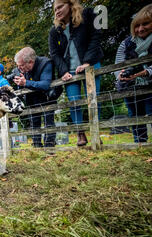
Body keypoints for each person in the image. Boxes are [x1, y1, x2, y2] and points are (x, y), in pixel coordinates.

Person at [49, 0, 104, 146]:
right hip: (70, 71)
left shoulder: (88, 15)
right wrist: (63, 71)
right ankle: (80, 134)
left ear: (70, 4)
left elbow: (96, 37)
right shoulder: (55, 31)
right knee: (73, 102)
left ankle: (95, 133)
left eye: (60, 7)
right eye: (55, 9)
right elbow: (55, 54)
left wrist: (87, 61)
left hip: (90, 65)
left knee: (93, 100)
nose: (57, 11)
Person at [115, 4, 152, 143]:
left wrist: (145, 72)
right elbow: (118, 64)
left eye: (146, 24)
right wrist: (121, 75)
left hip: (150, 85)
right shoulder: (126, 44)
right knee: (135, 116)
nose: (140, 28)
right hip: (132, 87)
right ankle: (140, 144)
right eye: (137, 25)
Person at [13, 47, 57, 148]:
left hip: (47, 98)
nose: (20, 69)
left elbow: (45, 84)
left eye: (22, 66)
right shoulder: (21, 69)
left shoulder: (46, 63)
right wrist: (20, 84)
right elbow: (21, 87)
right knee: (34, 123)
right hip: (31, 99)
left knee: (49, 122)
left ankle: (49, 147)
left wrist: (26, 82)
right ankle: (37, 147)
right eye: (18, 66)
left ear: (31, 62)